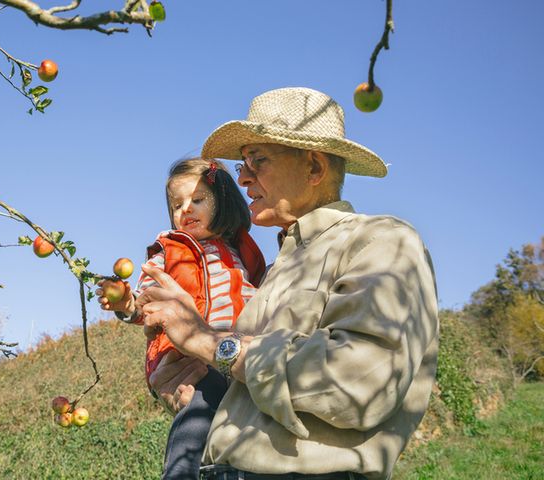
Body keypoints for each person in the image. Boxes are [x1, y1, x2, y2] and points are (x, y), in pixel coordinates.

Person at [136, 87, 439, 480]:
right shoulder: (273, 270)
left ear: (314, 168)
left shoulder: (381, 240)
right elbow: (252, 381)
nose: (241, 177)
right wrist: (184, 381)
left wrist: (209, 341)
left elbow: (360, 382)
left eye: (256, 161)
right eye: (243, 162)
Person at [97, 158, 266, 479]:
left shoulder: (243, 252)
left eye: (198, 200)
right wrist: (124, 302)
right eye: (177, 205)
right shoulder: (169, 252)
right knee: (199, 413)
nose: (185, 210)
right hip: (185, 359)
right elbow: (147, 301)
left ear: (224, 201)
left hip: (233, 353)